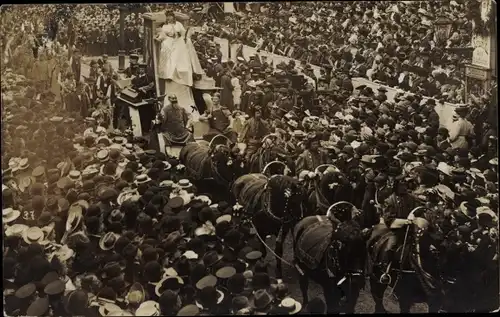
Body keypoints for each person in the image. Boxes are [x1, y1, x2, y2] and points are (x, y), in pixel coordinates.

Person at [155, 11, 203, 87]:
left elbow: (183, 33)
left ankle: (183, 73)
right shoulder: (165, 26)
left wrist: (183, 38)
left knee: (180, 57)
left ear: (173, 17)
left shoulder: (178, 24)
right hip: (169, 40)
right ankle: (169, 74)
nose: (169, 18)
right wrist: (160, 38)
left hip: (178, 41)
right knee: (170, 55)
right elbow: (162, 35)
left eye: (170, 16)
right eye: (167, 17)